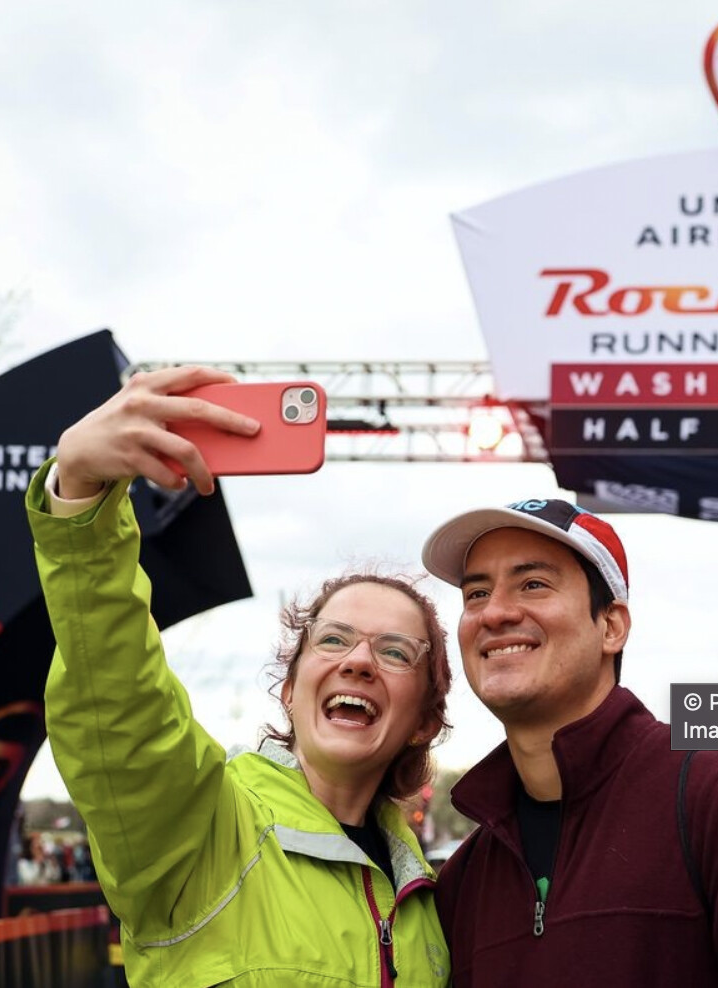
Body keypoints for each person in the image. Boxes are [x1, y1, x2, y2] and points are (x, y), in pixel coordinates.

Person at [28, 366, 452, 987]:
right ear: (290, 689)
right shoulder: (203, 835)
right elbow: (123, 706)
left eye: (394, 651)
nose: (357, 660)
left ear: (424, 721)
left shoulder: (432, 902)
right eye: (333, 639)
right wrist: (82, 500)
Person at [420, 498, 718, 986]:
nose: (495, 613)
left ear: (611, 626)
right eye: (477, 593)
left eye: (533, 584)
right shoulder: (464, 881)